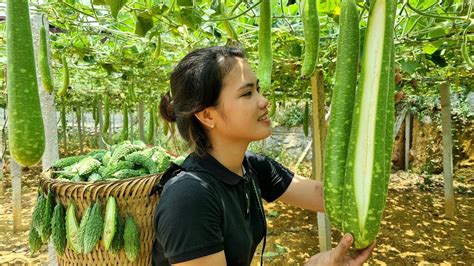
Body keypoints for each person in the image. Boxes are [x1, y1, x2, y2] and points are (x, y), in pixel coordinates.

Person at [152, 46, 375, 266]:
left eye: (258, 89)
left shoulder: (252, 166)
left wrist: (374, 98)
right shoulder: (190, 197)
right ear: (208, 115)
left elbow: (323, 196)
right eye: (247, 93)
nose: (263, 101)